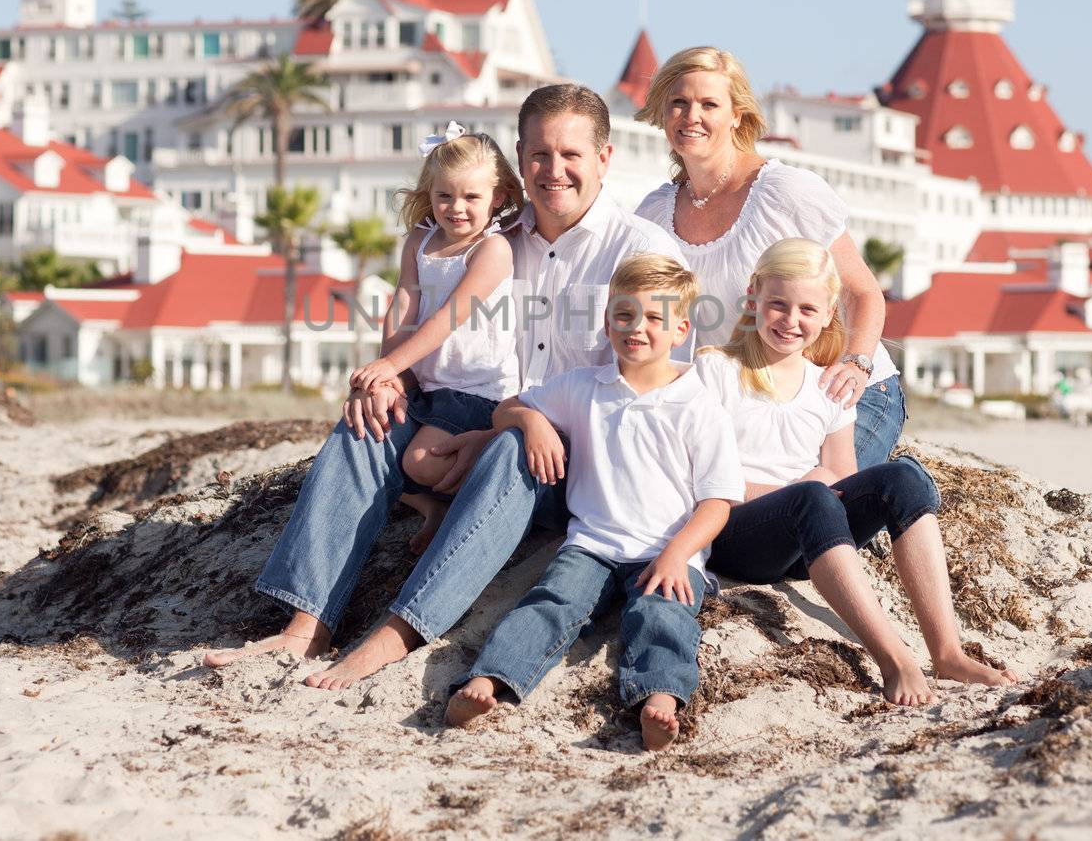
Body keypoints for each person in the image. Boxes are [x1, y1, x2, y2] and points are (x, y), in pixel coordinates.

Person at [203, 84, 681, 678]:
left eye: (570, 155)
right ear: (518, 157)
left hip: (566, 466)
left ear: (604, 158)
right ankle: (308, 624)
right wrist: (387, 375)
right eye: (538, 155)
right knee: (367, 424)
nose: (553, 171)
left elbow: (649, 393)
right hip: (468, 417)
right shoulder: (491, 237)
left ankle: (398, 631)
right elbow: (418, 303)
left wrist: (506, 426)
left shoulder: (641, 250)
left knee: (512, 452)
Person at [696, 237, 1020, 705]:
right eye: (778, 305)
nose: (791, 321)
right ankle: (894, 660)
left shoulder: (826, 385)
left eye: (808, 309)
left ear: (830, 314)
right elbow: (700, 479)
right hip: (739, 536)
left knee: (904, 476)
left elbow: (843, 481)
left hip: (811, 541)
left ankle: (947, 652)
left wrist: (822, 489)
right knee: (811, 495)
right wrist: (798, 488)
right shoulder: (716, 370)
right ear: (754, 300)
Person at [445, 255, 742, 750]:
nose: (636, 328)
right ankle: (488, 681)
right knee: (550, 603)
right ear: (607, 322)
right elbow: (505, 411)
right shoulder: (584, 386)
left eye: (653, 318)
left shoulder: (698, 405)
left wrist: (676, 555)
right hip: (592, 545)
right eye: (624, 315)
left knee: (662, 615)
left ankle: (660, 700)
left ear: (680, 329)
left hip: (668, 550)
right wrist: (534, 421)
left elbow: (717, 502)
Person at [633, 46, 905, 467]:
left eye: (709, 104)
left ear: (736, 115)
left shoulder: (786, 192)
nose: (692, 116)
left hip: (840, 393)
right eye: (679, 103)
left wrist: (857, 364)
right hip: (745, 401)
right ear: (662, 112)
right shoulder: (652, 214)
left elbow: (864, 293)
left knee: (810, 498)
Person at [346, 123, 522, 554]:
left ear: (497, 198)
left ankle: (486, 493)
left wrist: (390, 366)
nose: (456, 207)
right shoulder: (419, 241)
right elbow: (403, 302)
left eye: (471, 197)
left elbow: (451, 316)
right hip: (427, 382)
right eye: (445, 196)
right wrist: (389, 373)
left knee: (419, 461)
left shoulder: (491, 249)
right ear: (431, 194)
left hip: (475, 388)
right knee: (375, 442)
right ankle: (435, 509)